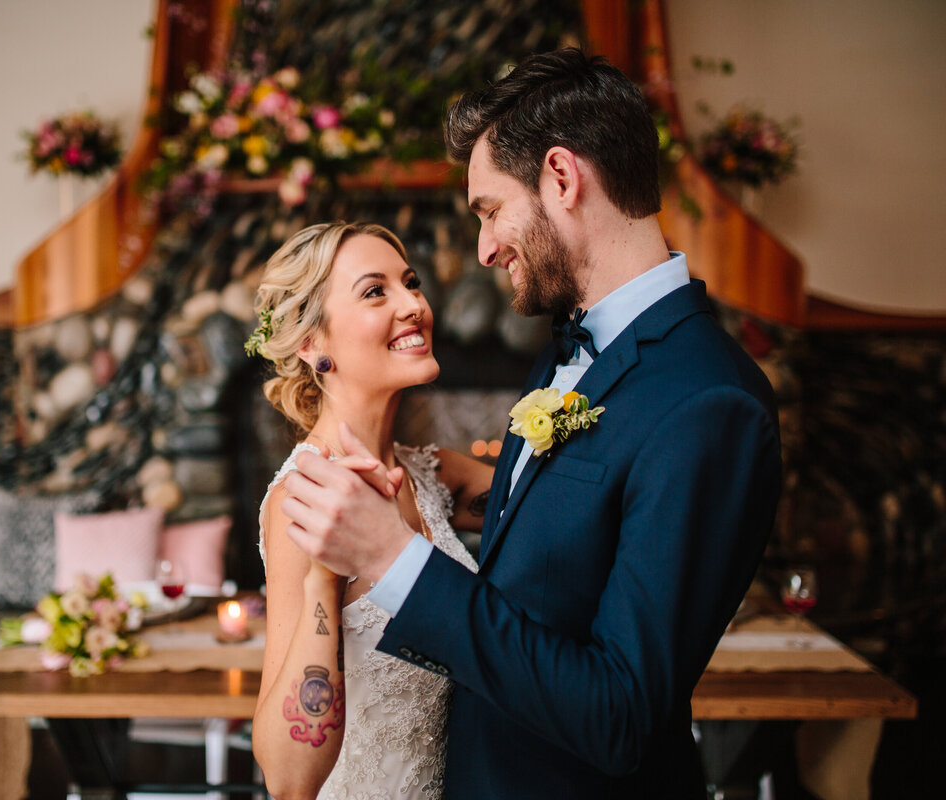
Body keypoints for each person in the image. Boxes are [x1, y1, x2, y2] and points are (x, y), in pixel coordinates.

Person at [280, 48, 784, 798]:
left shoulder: (711, 401)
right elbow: (573, 534)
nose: (484, 248)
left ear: (560, 177)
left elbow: (620, 716)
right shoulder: (570, 351)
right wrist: (466, 484)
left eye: (489, 210)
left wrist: (396, 561)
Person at [248, 221, 494, 799]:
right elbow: (289, 781)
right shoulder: (303, 502)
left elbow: (563, 501)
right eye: (375, 291)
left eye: (410, 283)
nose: (415, 304)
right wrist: (325, 575)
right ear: (312, 343)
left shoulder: (437, 476)